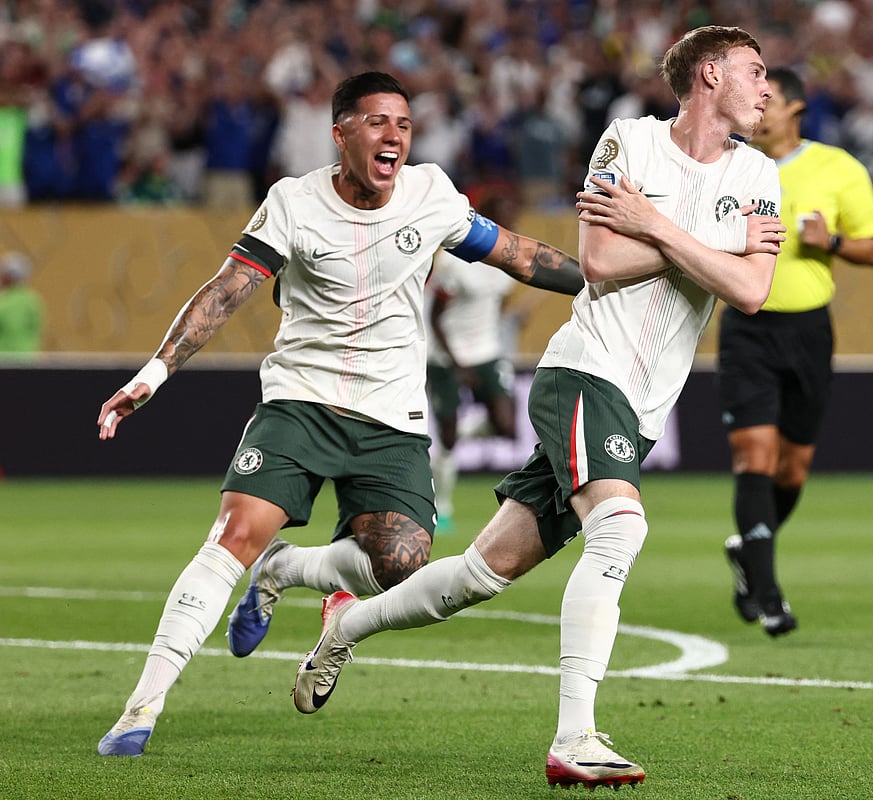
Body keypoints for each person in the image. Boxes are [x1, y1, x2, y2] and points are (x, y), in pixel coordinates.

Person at [287, 25, 784, 790]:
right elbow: (599, 263)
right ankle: (575, 737)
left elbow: (753, 291)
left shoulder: (760, 176)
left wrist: (655, 226)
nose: (767, 88)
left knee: (479, 575)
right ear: (709, 74)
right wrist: (709, 242)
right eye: (755, 71)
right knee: (620, 527)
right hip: (586, 373)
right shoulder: (628, 143)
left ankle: (344, 621)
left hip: (645, 406)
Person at [94, 71, 584, 757]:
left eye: (405, 125)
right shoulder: (293, 203)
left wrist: (602, 278)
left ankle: (285, 571)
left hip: (390, 414)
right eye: (379, 122)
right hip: (301, 401)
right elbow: (226, 290)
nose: (395, 137)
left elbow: (521, 256)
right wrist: (154, 372)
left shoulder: (430, 195)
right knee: (233, 534)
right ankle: (137, 712)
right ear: (341, 132)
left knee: (402, 563)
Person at [718, 66, 873, 637]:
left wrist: (832, 243)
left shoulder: (839, 168)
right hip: (747, 327)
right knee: (754, 459)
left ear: (795, 109)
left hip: (810, 332)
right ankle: (768, 596)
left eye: (768, 101)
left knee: (793, 468)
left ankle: (748, 552)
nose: (758, 112)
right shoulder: (727, 165)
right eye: (753, 102)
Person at [426, 193, 526, 534]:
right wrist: (456, 364)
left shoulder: (510, 262)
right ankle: (444, 506)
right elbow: (436, 316)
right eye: (503, 216)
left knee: (506, 425)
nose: (509, 225)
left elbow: (495, 306)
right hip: (442, 355)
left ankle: (454, 435)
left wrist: (501, 335)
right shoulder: (455, 263)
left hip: (486, 351)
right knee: (449, 435)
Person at [0, 251, 45, 355]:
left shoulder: (5, 302)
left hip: (6, 363)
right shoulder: (33, 301)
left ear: (8, 277)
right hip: (28, 361)